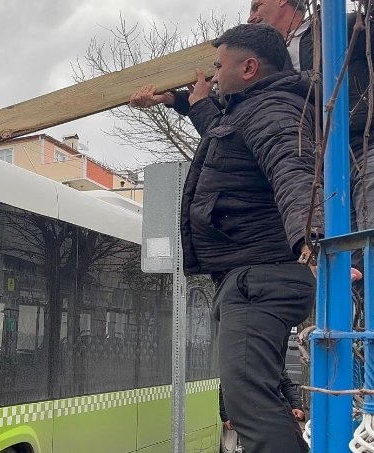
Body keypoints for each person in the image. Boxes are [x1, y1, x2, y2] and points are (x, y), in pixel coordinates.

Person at [129, 23, 320, 452]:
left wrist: (310, 241)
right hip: (254, 274)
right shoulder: (250, 108)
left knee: (248, 404)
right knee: (252, 398)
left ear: (249, 67)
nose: (211, 77)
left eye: (218, 67)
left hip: (261, 276)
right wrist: (177, 101)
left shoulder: (270, 111)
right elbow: (226, 138)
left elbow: (292, 169)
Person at [249, 0, 374, 231]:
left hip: (363, 148)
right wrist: (179, 100)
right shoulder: (269, 60)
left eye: (257, 6)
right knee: (347, 253)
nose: (251, 17)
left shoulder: (341, 27)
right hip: (317, 166)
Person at [219, 370, 307, 452]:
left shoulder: (273, 358)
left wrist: (296, 406)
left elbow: (286, 384)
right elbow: (226, 386)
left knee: (298, 445)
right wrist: (226, 416)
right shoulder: (240, 361)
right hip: (251, 414)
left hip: (278, 410)